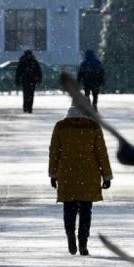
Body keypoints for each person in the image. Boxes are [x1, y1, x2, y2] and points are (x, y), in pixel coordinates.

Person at [49, 104, 113, 256]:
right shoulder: (93, 127)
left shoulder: (61, 126)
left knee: (69, 208)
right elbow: (101, 152)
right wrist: (106, 175)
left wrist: (53, 174)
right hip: (89, 175)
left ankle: (70, 232)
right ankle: (83, 242)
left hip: (67, 174)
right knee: (85, 211)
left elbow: (54, 151)